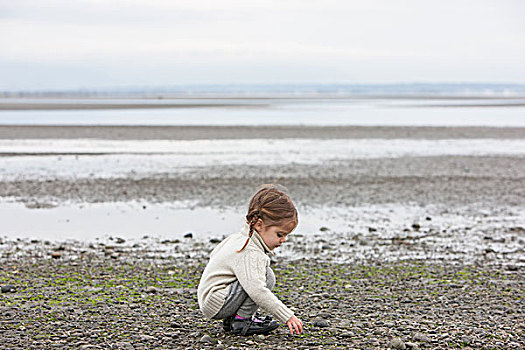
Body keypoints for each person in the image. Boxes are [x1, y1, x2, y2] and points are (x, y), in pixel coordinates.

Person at [197, 184, 304, 336]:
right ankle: (242, 321)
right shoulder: (250, 251)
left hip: (210, 300)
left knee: (256, 275)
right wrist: (287, 316)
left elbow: (214, 255)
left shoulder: (238, 238)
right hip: (218, 303)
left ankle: (233, 318)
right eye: (280, 234)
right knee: (266, 276)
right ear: (259, 225)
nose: (284, 240)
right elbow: (257, 291)